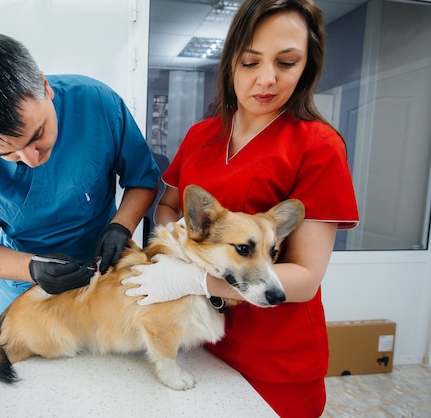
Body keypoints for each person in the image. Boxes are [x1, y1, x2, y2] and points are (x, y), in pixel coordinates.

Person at [122, 1, 359, 416]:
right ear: (230, 59)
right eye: (250, 61)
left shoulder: (317, 146)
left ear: (308, 65)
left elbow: (303, 278)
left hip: (274, 355)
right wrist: (178, 244)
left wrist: (192, 278)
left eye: (287, 62)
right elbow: (169, 207)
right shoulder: (202, 135)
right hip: (197, 337)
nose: (266, 79)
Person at [0, 33, 159, 316]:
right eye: (8, 154)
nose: (32, 159)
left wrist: (122, 227)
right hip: (26, 289)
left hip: (105, 275)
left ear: (45, 86)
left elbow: (143, 179)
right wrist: (31, 267)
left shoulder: (96, 103)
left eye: (37, 134)